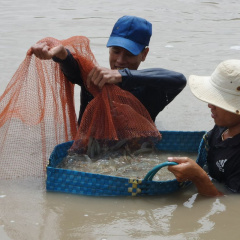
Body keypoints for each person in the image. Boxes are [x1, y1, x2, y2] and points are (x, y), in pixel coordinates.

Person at [31, 15, 186, 125]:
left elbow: (179, 80)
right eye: (115, 51)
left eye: (129, 54)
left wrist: (122, 75)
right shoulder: (94, 79)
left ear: (144, 55)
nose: (119, 60)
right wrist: (61, 54)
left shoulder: (152, 91)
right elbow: (72, 67)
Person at [168, 59, 240, 197]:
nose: (210, 105)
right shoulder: (223, 125)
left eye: (219, 101)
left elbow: (232, 206)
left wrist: (199, 177)